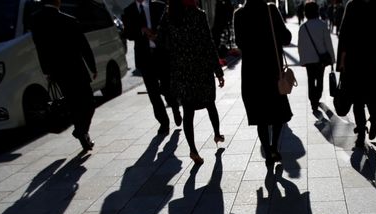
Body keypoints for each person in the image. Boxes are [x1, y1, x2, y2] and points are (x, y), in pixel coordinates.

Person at [158, 0, 225, 164]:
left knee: (188, 112)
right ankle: (217, 133)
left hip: (182, 72)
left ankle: (193, 150)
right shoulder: (198, 15)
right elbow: (208, 43)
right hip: (201, 69)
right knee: (210, 103)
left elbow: (161, 43)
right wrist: (218, 70)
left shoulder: (168, 16)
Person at [31, 0, 97, 151]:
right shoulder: (69, 20)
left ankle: (82, 134)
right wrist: (92, 67)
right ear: (58, 2)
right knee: (88, 102)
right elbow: (83, 46)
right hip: (77, 69)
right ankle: (81, 131)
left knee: (73, 103)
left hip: (57, 71)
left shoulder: (36, 21)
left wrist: (46, 71)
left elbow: (40, 49)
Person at [234, 0, 293, 166]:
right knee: (277, 113)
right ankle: (274, 147)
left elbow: (239, 43)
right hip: (272, 71)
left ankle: (267, 152)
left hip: (252, 74)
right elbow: (286, 38)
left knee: (261, 117)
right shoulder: (271, 10)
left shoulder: (239, 15)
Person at [336, 0, 376, 148]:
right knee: (369, 96)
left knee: (361, 99)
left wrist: (342, 59)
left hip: (359, 60)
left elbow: (344, 34)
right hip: (369, 60)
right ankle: (368, 125)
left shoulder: (354, 4)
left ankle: (366, 128)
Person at [122, 0, 180, 134]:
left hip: (162, 55)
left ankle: (175, 107)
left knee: (167, 88)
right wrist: (141, 31)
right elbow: (128, 34)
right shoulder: (129, 11)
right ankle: (164, 123)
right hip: (144, 58)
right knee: (153, 93)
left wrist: (158, 36)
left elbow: (171, 27)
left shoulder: (159, 6)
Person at [298, 1, 335, 113]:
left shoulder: (303, 27)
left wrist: (302, 60)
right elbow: (328, 43)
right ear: (317, 11)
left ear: (306, 13)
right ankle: (317, 98)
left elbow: (301, 45)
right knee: (319, 79)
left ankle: (312, 100)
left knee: (310, 79)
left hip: (309, 60)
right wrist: (332, 59)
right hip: (321, 59)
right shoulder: (323, 25)